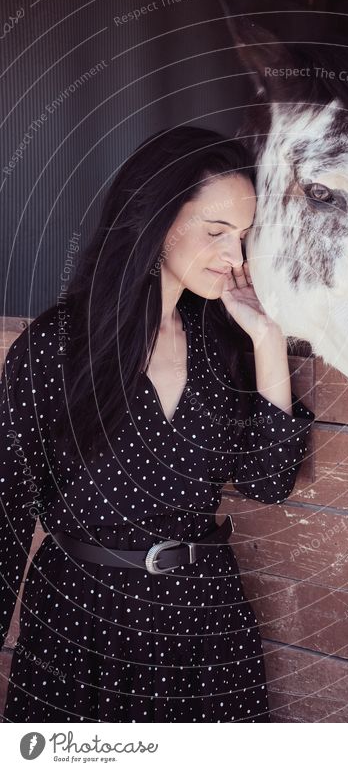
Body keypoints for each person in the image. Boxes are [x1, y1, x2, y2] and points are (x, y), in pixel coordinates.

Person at [0, 126, 315, 723]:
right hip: (81, 625)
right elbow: (7, 511)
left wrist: (268, 340)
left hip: (207, 628)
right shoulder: (56, 348)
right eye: (217, 232)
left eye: (246, 237)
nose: (236, 258)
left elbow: (270, 482)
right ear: (156, 221)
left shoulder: (222, 344)